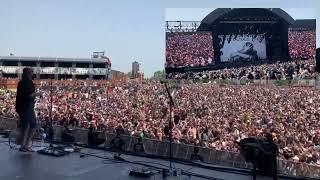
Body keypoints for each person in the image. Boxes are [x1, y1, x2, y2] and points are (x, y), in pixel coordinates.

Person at [15, 67, 39, 152]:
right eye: (32, 72)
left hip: (22, 107)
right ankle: (25, 145)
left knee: (27, 126)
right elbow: (29, 95)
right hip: (27, 107)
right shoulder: (28, 83)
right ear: (28, 73)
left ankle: (24, 145)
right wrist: (38, 93)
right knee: (30, 126)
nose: (33, 73)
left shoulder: (20, 82)